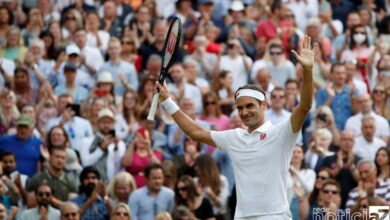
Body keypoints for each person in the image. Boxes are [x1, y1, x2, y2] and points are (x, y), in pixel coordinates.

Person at [155, 36, 316, 219]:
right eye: (240, 108)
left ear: (263, 105)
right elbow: (195, 132)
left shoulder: (281, 133)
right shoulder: (234, 137)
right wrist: (167, 101)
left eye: (249, 106)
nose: (244, 112)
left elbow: (304, 106)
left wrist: (308, 71)